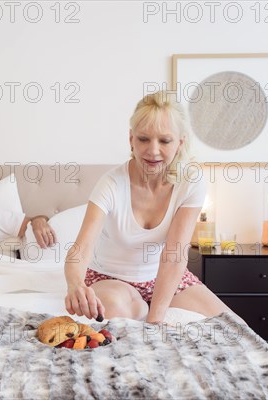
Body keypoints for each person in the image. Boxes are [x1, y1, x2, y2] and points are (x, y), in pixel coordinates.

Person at [64, 91, 231, 324]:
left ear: (180, 143)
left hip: (164, 277)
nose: (153, 151)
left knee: (235, 328)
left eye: (164, 140)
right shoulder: (111, 184)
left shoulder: (191, 182)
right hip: (112, 279)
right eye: (143, 139)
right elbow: (81, 248)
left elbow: (174, 256)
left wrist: (156, 321)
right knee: (120, 313)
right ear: (131, 139)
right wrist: (74, 284)